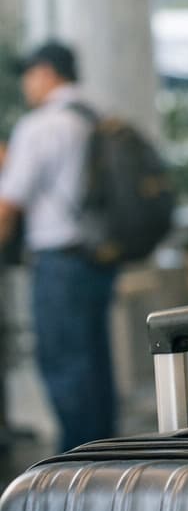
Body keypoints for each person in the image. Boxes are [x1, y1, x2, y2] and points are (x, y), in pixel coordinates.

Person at [0, 40, 118, 452]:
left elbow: (10, 201)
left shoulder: (40, 125)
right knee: (95, 361)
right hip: (98, 257)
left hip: (58, 260)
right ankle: (106, 453)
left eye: (29, 75)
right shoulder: (95, 115)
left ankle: (77, 458)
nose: (26, 85)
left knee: (63, 363)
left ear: (47, 73)